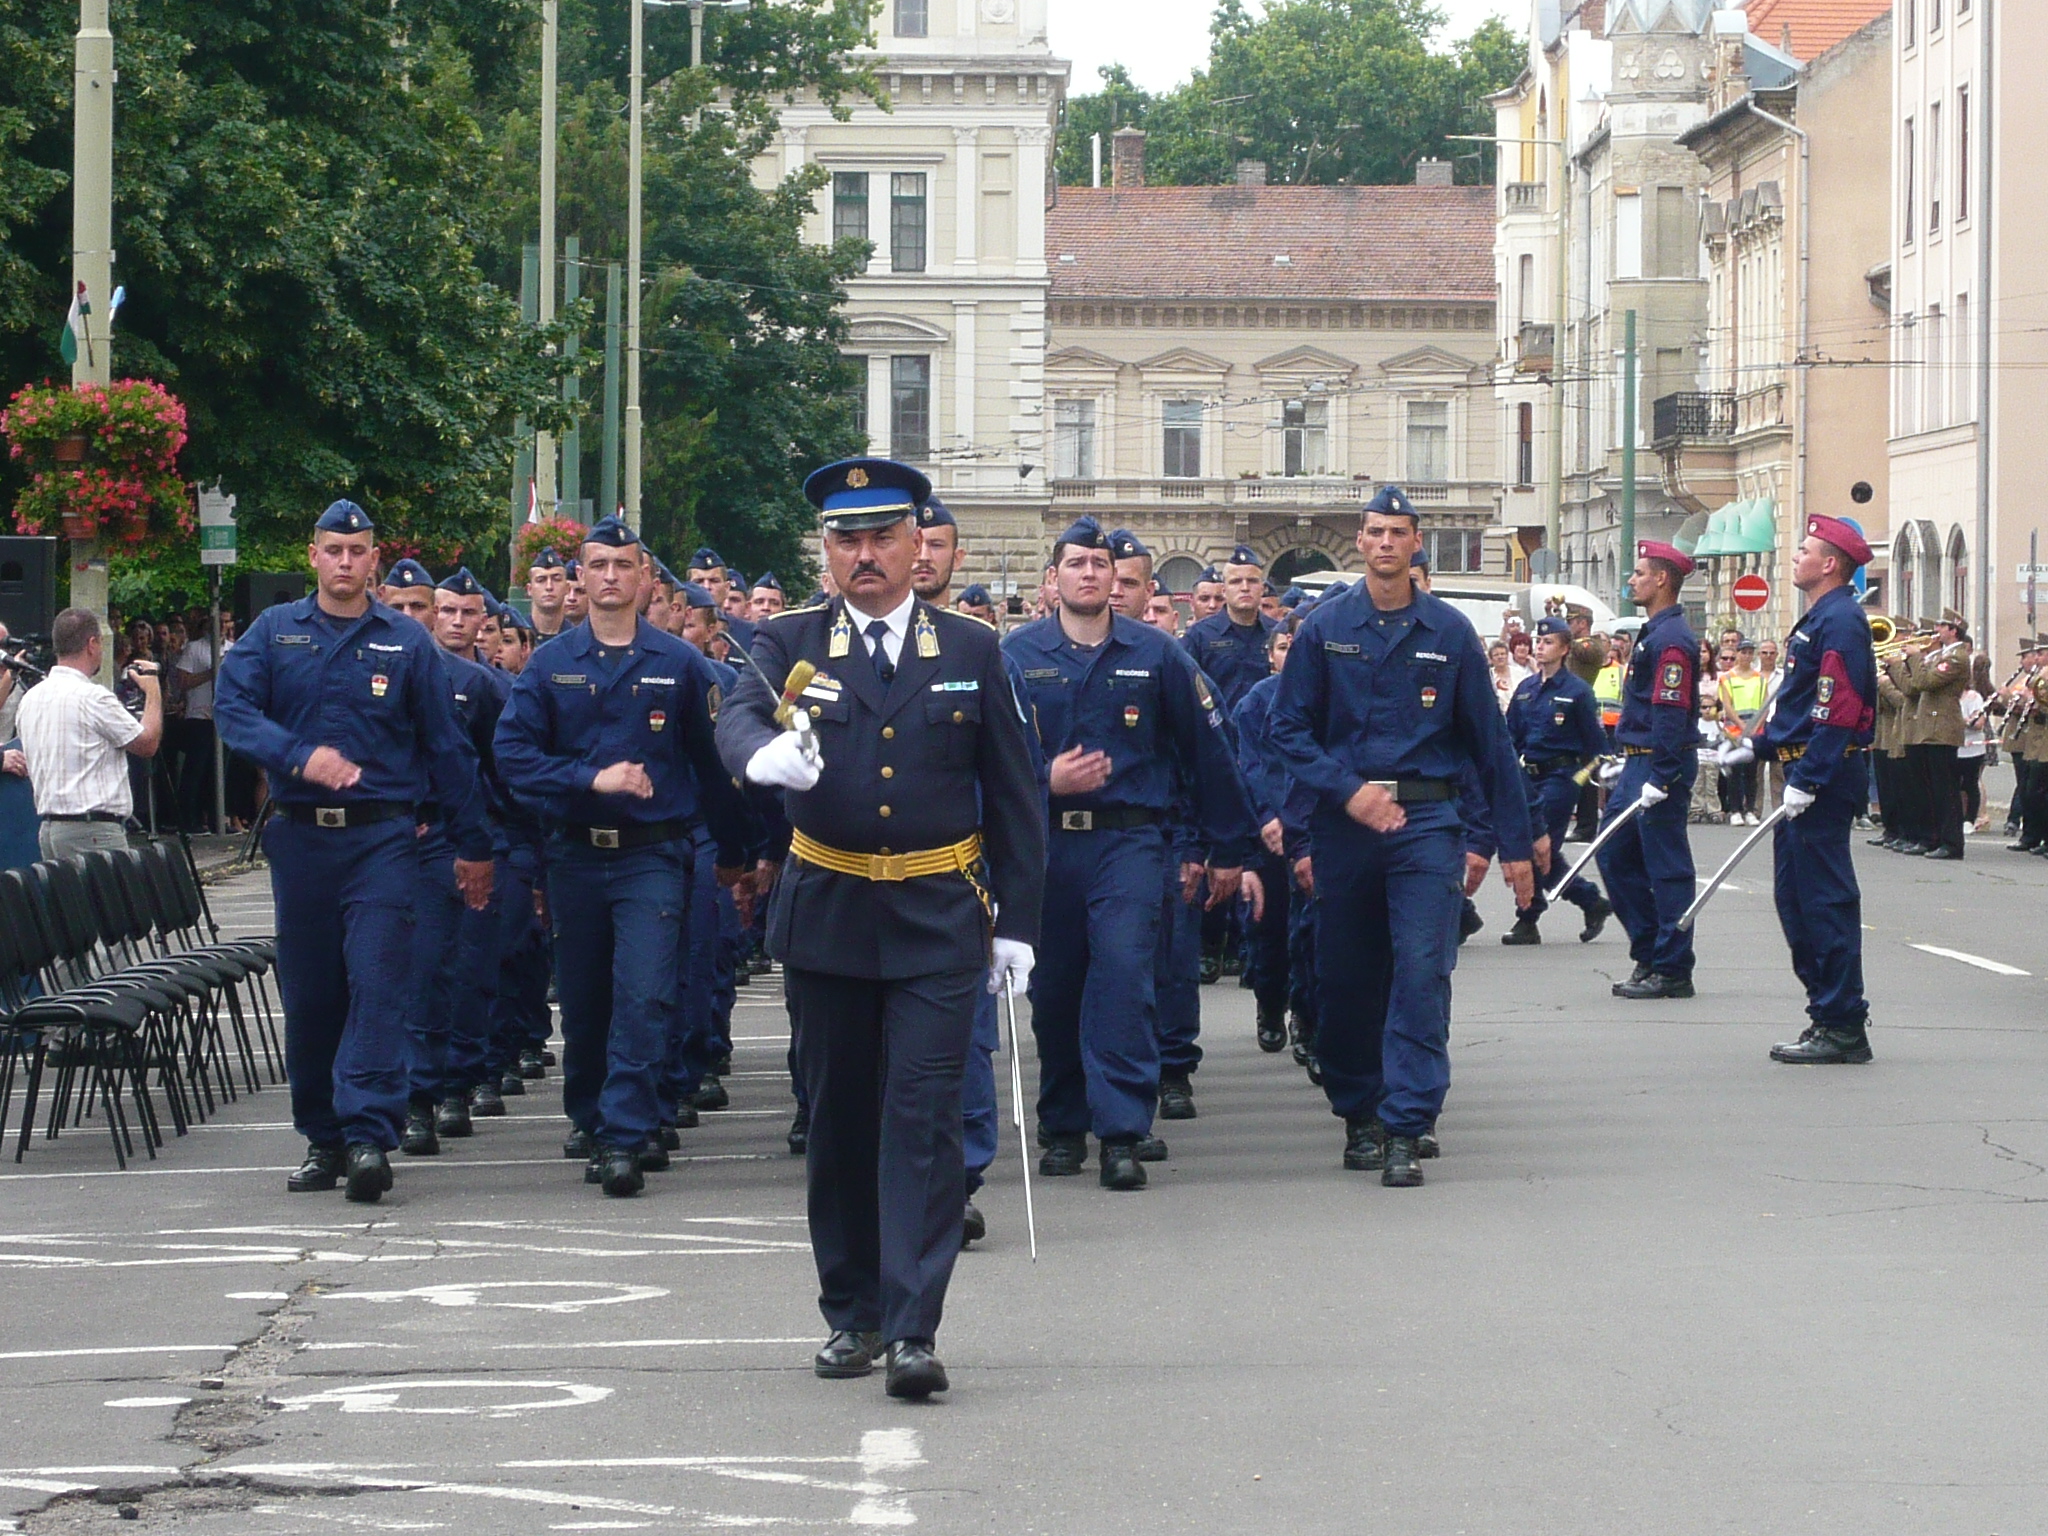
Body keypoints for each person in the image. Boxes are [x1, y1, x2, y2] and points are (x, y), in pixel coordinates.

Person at [716, 457, 1045, 1401]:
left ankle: (913, 1327)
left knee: (925, 1119)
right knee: (841, 1118)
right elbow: (736, 716)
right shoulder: (786, 642)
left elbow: (1017, 799)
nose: (865, 556)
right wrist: (765, 755)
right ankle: (852, 1311)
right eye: (845, 541)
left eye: (882, 538)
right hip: (829, 912)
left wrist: (1017, 924)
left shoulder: (975, 651)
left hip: (941, 917)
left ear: (917, 545)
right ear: (826, 552)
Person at [216, 500, 494, 1204]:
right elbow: (234, 710)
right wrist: (300, 756)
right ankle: (324, 1137)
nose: (345, 561)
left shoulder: (406, 641)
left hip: (382, 839)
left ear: (374, 558)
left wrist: (474, 845)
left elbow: (447, 748)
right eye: (333, 549)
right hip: (303, 837)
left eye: (358, 550)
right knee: (313, 995)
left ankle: (369, 1134)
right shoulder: (274, 633)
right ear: (313, 555)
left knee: (378, 981)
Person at [1268, 486, 1537, 1189]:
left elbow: (1490, 746)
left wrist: (1514, 845)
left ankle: (1407, 1121)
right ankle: (1360, 1110)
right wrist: (1346, 791)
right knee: (1349, 976)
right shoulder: (1326, 629)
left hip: (1427, 824)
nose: (1385, 543)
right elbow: (1287, 731)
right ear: (1360, 542)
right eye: (1374, 531)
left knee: (1421, 968)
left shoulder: (1447, 633)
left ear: (1417, 542)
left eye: (1398, 532)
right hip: (1347, 824)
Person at [495, 517, 751, 1197]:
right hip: (575, 856)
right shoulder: (550, 665)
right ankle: (591, 1113)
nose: (609, 576)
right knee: (584, 1004)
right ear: (580, 577)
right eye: (597, 564)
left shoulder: (680, 665)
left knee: (644, 994)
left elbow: (713, 763)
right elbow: (514, 756)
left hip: (652, 856)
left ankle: (624, 1134)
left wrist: (735, 855)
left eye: (623, 565)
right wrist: (589, 779)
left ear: (643, 578)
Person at [1006, 518, 1255, 1189]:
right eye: (1076, 563)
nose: (1089, 573)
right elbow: (987, 762)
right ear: (1053, 578)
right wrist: (1044, 779)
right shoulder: (1016, 655)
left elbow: (1209, 754)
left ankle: (1121, 1129)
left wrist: (1230, 848)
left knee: (1121, 975)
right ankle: (1063, 1125)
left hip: (1130, 840)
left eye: (1100, 564)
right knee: (1055, 987)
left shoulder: (1157, 654)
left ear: (1117, 580)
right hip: (1049, 843)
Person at [1715, 517, 1880, 1064]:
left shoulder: (1841, 622)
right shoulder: (1819, 618)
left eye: (1805, 549)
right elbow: (1801, 705)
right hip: (1799, 770)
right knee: (1795, 900)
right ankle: (1825, 1012)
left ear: (1830, 563)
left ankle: (1843, 1023)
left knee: (1824, 900)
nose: (1796, 556)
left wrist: (1808, 778)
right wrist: (1758, 748)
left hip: (1821, 778)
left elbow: (1839, 707)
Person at [1596, 542, 1700, 1001]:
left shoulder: (1671, 638)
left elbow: (1670, 710)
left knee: (1666, 867)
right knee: (1614, 854)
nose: (1631, 580)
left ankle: (1673, 966)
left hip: (1658, 760)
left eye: (1639, 573)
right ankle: (1649, 950)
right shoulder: (1654, 632)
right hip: (1638, 759)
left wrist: (1662, 772)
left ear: (1661, 580)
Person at [16, 607, 165, 859]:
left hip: (50, 828)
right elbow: (147, 743)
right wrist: (153, 690)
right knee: (109, 898)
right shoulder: (93, 697)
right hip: (93, 828)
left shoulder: (31, 699)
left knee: (67, 899)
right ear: (92, 644)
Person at [1499, 615, 1612, 946]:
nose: (1540, 646)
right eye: (1539, 641)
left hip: (1561, 777)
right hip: (1529, 775)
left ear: (1564, 649)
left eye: (1548, 642)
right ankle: (1591, 900)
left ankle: (1528, 917)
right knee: (1536, 846)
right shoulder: (1526, 689)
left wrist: (1579, 778)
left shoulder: (1577, 691)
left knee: (1538, 847)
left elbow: (1597, 746)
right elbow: (1510, 738)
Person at [1903, 610, 1969, 860]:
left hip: (1942, 727)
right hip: (1931, 728)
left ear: (1953, 630)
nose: (1937, 630)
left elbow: (1924, 682)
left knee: (1946, 791)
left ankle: (1951, 843)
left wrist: (1915, 658)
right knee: (1931, 789)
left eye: (1942, 626)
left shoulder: (1957, 658)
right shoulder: (1943, 654)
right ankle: (1934, 837)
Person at [1182, 544, 1278, 713]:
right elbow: (1184, 690)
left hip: (1265, 734)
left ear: (1262, 589)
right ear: (1224, 591)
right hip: (1218, 733)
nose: (1245, 587)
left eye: (1252, 581)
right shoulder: (1199, 636)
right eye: (1236, 581)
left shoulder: (1277, 634)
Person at [1718, 640, 1765, 823]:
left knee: (1752, 772)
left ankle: (1750, 810)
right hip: (1734, 731)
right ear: (1737, 654)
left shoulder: (1759, 678)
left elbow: (1764, 705)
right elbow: (1727, 705)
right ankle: (1736, 809)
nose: (1747, 656)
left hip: (1755, 731)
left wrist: (1756, 726)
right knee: (1735, 771)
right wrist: (1741, 725)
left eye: (1749, 652)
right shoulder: (1727, 678)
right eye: (1743, 652)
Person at [1959, 652, 1990, 834]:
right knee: (1954, 785)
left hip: (1972, 747)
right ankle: (1957, 817)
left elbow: (1978, 723)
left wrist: (1962, 721)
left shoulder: (1973, 697)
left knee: (1970, 783)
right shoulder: (1949, 697)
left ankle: (1970, 818)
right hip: (1954, 746)